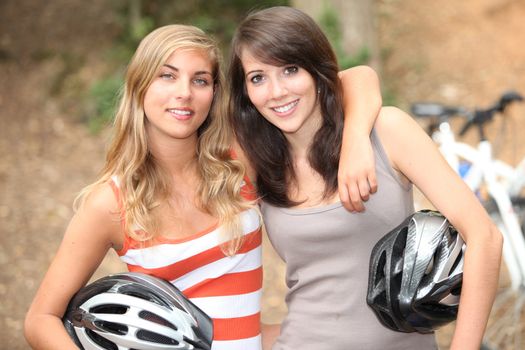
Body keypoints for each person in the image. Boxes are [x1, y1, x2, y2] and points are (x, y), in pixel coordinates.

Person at [24, 24, 382, 350]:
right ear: (140, 85)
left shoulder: (238, 162)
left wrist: (354, 142)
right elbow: (40, 320)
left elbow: (358, 78)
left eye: (200, 80)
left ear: (213, 93)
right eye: (167, 76)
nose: (184, 94)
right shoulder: (112, 203)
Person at [228, 6, 503, 350]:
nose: (277, 91)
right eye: (258, 78)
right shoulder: (256, 161)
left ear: (316, 70)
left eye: (291, 69)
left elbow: (485, 237)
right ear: (246, 94)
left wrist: (356, 136)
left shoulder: (385, 132)